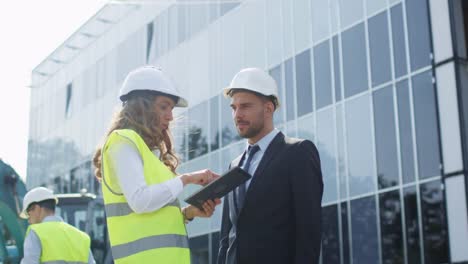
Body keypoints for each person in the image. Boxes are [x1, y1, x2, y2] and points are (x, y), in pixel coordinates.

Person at [92, 65, 220, 264]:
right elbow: (141, 201)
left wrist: (188, 213)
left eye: (171, 108)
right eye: (163, 107)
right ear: (140, 107)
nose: (170, 116)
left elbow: (153, 219)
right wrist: (186, 179)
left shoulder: (147, 155)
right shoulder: (122, 141)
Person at [217, 68, 323, 264]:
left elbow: (308, 231)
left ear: (268, 108)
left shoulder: (298, 152)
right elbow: (227, 237)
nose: (237, 115)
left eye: (245, 106)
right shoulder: (234, 165)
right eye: (234, 108)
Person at [20, 187, 95, 264]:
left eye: (28, 213)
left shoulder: (35, 232)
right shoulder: (81, 237)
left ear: (37, 208)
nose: (28, 220)